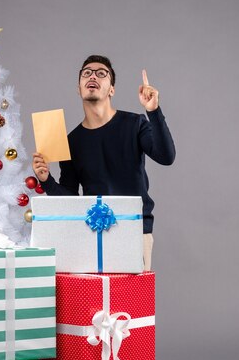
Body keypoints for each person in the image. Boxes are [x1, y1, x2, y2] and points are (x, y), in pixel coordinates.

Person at [32, 55, 176, 271]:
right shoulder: (71, 142)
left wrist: (153, 111)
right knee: (96, 304)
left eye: (102, 73)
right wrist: (46, 181)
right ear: (79, 88)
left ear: (111, 89)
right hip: (92, 232)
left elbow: (166, 156)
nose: (93, 76)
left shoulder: (135, 123)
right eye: (86, 73)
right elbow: (71, 199)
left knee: (132, 303)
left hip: (135, 229)